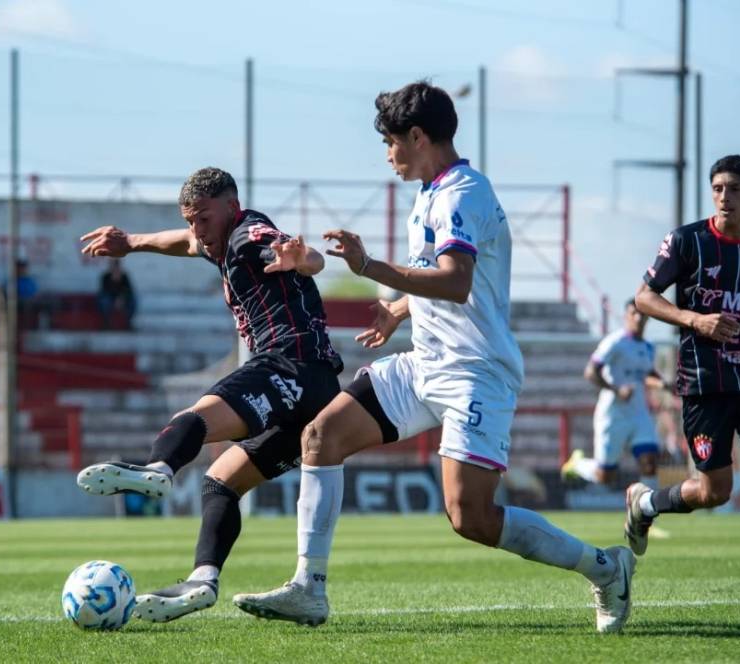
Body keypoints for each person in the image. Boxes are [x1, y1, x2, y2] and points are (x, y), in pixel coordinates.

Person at [231, 81, 635, 633]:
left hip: (476, 372)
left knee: (470, 518)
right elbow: (442, 280)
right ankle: (308, 588)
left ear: (418, 136)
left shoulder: (461, 193)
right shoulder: (431, 191)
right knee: (320, 437)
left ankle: (607, 568)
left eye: (391, 142)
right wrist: (399, 308)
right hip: (425, 363)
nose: (388, 154)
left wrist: (370, 267)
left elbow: (457, 280)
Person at [75, 167, 343, 623]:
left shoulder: (247, 235)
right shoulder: (218, 241)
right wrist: (132, 243)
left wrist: (303, 259)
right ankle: (203, 578)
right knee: (221, 481)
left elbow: (303, 254)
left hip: (289, 366)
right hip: (314, 391)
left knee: (197, 415)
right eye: (190, 219)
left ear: (230, 207)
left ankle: (159, 467)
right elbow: (183, 243)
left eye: (203, 218)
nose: (197, 230)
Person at [628, 155, 740, 593]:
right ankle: (645, 503)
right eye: (718, 189)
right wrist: (694, 319)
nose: (724, 198)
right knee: (716, 492)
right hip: (704, 377)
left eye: (734, 189)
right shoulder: (686, 241)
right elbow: (644, 298)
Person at [562, 299, 672, 489]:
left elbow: (643, 374)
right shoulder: (614, 342)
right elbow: (590, 372)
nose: (638, 318)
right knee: (605, 476)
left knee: (649, 463)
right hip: (612, 415)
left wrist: (662, 383)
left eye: (642, 314)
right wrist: (617, 389)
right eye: (633, 313)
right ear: (626, 316)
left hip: (639, 414)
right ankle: (577, 464)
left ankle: (647, 512)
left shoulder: (648, 347)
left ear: (648, 317)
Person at [97, 258, 137, 329]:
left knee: (133, 301)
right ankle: (106, 323)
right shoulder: (106, 276)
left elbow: (129, 290)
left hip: (122, 300)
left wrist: (121, 298)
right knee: (104, 301)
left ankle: (128, 322)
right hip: (110, 299)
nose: (115, 268)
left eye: (116, 265)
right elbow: (104, 290)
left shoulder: (124, 276)